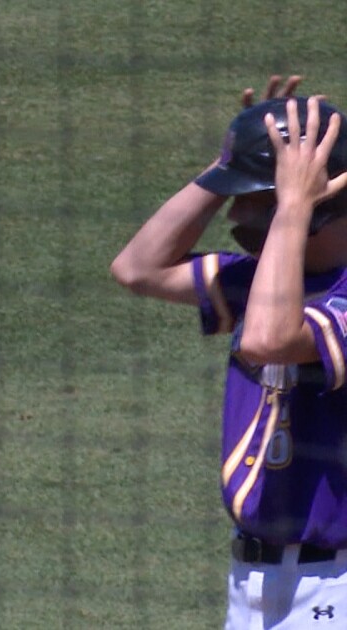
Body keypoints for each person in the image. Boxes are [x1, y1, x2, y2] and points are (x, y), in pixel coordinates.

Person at [111, 95, 347, 628]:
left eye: (253, 201)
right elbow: (137, 268)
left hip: (334, 587)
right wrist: (228, 164)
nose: (235, 216)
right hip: (252, 584)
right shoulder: (259, 280)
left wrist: (290, 207)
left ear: (322, 203)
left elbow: (269, 340)